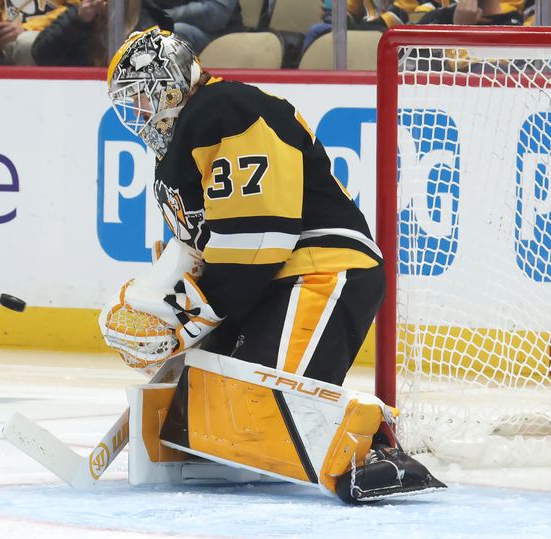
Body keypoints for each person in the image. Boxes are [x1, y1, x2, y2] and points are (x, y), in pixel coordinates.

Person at [100, 27, 445, 503]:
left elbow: (258, 238)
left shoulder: (224, 110)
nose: (138, 114)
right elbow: (202, 252)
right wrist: (160, 304)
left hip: (322, 270)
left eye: (143, 97)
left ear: (171, 82)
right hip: (268, 287)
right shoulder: (179, 147)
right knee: (210, 417)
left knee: (259, 411)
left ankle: (374, 451)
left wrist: (187, 318)